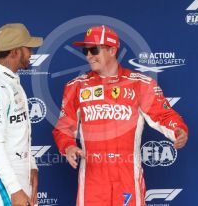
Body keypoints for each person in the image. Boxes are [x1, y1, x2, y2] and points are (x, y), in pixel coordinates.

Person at [52, 25, 188, 206]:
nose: (88, 56)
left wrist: (177, 130)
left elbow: (163, 115)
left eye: (94, 50)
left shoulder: (141, 84)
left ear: (112, 50)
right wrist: (68, 146)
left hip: (128, 177)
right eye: (85, 50)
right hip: (93, 179)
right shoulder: (76, 87)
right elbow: (64, 127)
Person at [0, 23, 42, 206]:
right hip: (3, 178)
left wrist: (31, 165)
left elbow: (19, 133)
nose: (31, 53)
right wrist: (14, 188)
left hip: (20, 173)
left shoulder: (12, 82)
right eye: (28, 48)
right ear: (14, 52)